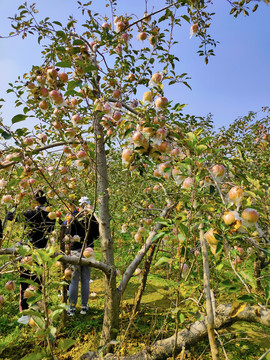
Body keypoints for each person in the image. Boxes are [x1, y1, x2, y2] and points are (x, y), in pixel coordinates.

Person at [5, 189, 55, 324]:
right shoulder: (51, 215)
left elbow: (10, 216)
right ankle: (38, 310)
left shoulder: (32, 214)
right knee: (38, 281)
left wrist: (15, 202)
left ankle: (26, 314)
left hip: (28, 251)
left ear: (34, 200)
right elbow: (51, 230)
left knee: (25, 280)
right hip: (42, 252)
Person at [65, 197, 99, 316]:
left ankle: (72, 308)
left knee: (74, 280)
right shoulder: (93, 219)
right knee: (85, 280)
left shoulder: (74, 218)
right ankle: (84, 307)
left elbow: (67, 235)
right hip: (88, 251)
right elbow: (97, 235)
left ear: (79, 206)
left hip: (75, 251)